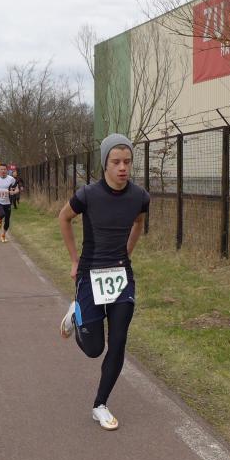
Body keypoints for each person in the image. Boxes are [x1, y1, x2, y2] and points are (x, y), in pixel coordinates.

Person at [57, 133, 149, 431]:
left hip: (121, 276)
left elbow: (138, 223)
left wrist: (127, 252)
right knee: (94, 348)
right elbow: (63, 218)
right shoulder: (88, 194)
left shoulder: (140, 197)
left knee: (118, 341)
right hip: (90, 274)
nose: (123, 167)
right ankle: (76, 315)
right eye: (116, 162)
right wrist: (74, 260)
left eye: (127, 162)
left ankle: (100, 404)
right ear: (105, 164)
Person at [0, 162, 19, 243]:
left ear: (7, 170)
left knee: (7, 221)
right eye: (1, 169)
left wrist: (14, 192)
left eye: (5, 169)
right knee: (2, 214)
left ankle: (3, 235)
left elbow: (17, 189)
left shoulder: (11, 179)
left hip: (8, 202)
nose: (3, 171)